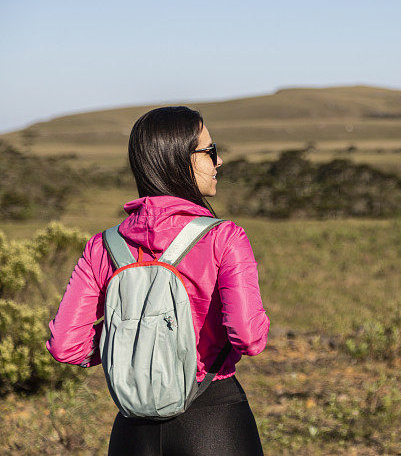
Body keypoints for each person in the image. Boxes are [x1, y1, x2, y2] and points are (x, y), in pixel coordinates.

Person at [45, 106, 270, 455]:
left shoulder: (104, 246)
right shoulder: (224, 237)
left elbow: (65, 345)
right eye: (210, 152)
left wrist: (134, 342)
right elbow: (250, 338)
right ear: (180, 159)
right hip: (213, 419)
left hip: (133, 429)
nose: (219, 160)